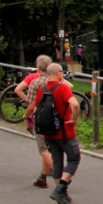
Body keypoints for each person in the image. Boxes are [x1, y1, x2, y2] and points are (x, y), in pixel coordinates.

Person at [25, 63, 81, 204]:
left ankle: (62, 194)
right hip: (64, 131)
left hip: (48, 132)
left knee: (57, 162)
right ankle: (61, 187)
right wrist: (74, 119)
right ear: (57, 73)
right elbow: (74, 104)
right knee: (74, 158)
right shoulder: (62, 88)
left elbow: (36, 109)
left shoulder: (42, 90)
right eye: (61, 71)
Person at [19, 55, 58, 187]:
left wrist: (26, 116)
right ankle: (42, 178)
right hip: (56, 118)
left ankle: (61, 174)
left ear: (38, 68)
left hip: (41, 118)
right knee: (48, 147)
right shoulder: (57, 81)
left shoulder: (35, 83)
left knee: (42, 149)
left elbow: (31, 105)